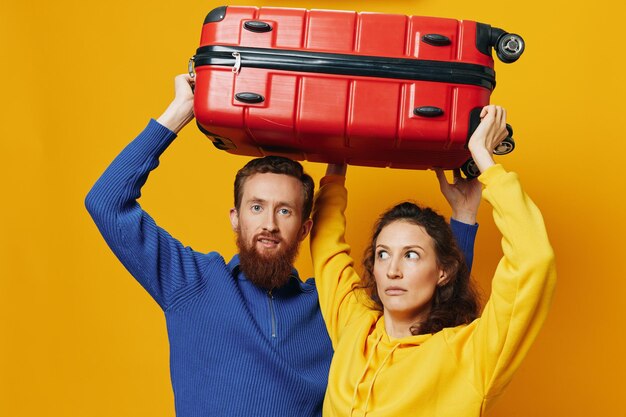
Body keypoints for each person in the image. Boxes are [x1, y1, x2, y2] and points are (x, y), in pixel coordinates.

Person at [84, 74, 479, 417]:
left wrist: (463, 217)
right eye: (256, 207)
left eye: (285, 211)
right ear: (235, 217)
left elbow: (431, 308)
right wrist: (179, 111)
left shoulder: (332, 308)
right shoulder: (192, 283)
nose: (269, 225)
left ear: (306, 227)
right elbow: (105, 202)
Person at [311, 105, 557, 417]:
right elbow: (326, 246)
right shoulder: (354, 325)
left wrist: (485, 160)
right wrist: (338, 155)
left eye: (411, 255)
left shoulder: (470, 356)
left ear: (444, 272)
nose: (393, 270)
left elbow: (534, 259)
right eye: (383, 254)